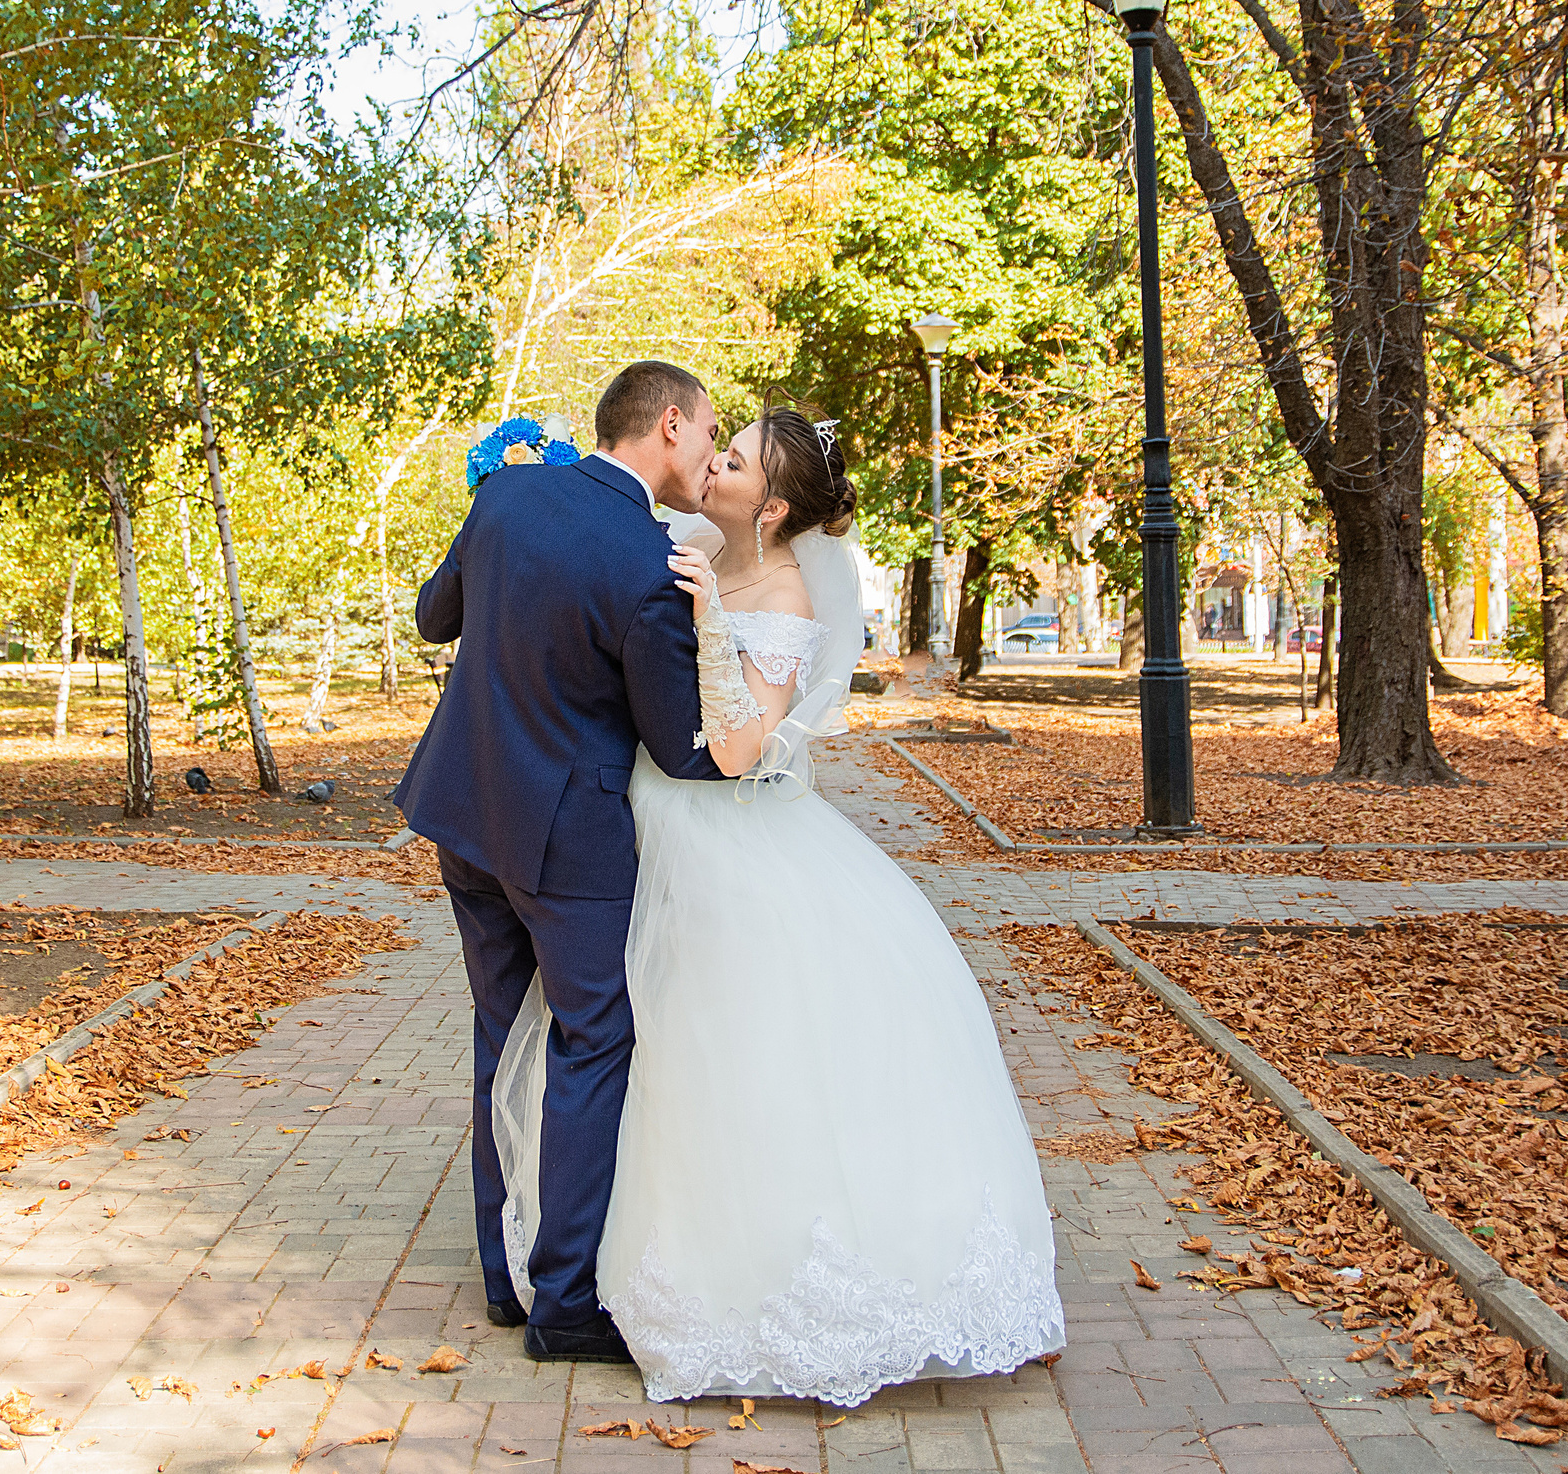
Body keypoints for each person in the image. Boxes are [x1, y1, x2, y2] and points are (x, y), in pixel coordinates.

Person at [491, 407, 1065, 1406]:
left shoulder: (785, 592)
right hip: (644, 825)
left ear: (776, 504)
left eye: (737, 458)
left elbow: (741, 750)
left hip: (730, 837)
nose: (714, 461)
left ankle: (766, 1277)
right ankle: (591, 1266)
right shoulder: (679, 537)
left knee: (731, 1051)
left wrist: (710, 616)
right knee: (637, 1041)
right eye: (721, 445)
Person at [393, 360, 724, 1365]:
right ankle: (566, 1301)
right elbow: (681, 751)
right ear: (668, 425)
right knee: (593, 1041)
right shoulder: (649, 564)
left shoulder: (510, 494)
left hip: (464, 814)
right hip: (566, 845)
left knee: (503, 1032)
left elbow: (433, 616)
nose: (712, 455)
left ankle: (506, 1278)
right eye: (710, 434)